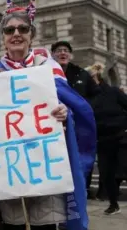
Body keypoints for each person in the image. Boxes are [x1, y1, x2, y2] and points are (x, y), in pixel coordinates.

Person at [0, 0, 96, 230]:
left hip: (45, 178)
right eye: (9, 30)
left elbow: (77, 115)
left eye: (22, 29)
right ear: (3, 37)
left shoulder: (50, 72)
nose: (16, 34)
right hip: (5, 183)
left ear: (32, 34)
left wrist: (64, 115)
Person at [51, 40, 100, 199]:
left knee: (80, 161)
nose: (62, 53)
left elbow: (96, 95)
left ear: (70, 55)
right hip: (54, 126)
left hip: (79, 127)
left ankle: (79, 196)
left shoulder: (82, 74)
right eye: (58, 50)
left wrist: (84, 111)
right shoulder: (45, 73)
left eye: (66, 50)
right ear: (52, 55)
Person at [86, 63, 126, 215]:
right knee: (106, 174)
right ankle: (113, 204)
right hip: (102, 140)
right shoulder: (88, 98)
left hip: (122, 137)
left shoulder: (114, 92)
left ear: (96, 77)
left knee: (124, 169)